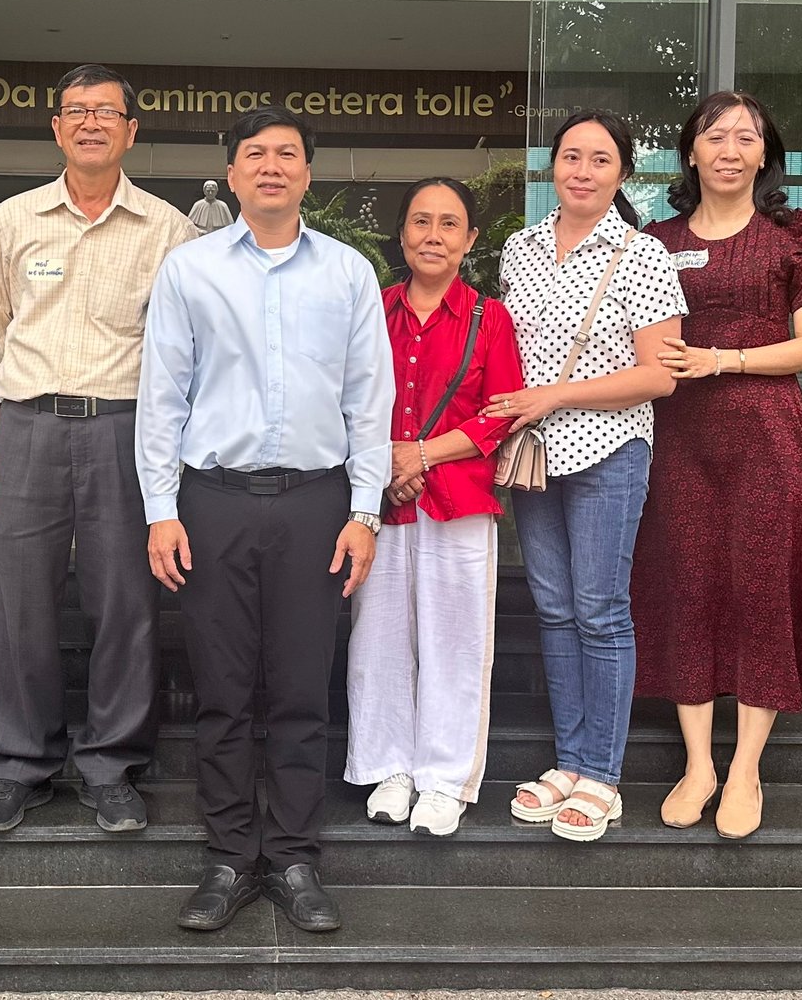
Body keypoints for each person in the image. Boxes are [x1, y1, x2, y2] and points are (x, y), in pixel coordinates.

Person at [137, 106, 393, 934]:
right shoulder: (190, 270)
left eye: (287, 154)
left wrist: (363, 511)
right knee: (221, 689)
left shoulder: (347, 273)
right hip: (211, 501)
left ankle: (292, 856)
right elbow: (162, 397)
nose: (272, 166)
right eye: (256, 154)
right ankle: (226, 857)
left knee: (300, 688)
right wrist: (160, 511)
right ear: (233, 173)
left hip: (317, 503)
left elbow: (370, 400)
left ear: (308, 174)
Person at [0, 64, 197, 834]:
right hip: (29, 425)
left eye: (106, 111)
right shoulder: (15, 220)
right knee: (20, 600)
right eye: (76, 110)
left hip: (124, 429)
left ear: (132, 130)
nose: (90, 122)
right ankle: (23, 762)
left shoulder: (168, 229)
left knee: (124, 601)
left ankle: (111, 765)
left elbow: (180, 348)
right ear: (56, 128)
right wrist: (13, 415)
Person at [632, 91, 802, 841]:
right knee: (685, 585)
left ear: (764, 154)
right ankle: (698, 764)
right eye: (715, 136)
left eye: (746, 138)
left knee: (760, 589)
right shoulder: (653, 240)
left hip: (767, 436)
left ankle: (746, 765)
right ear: (690, 151)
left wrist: (725, 358)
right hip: (676, 437)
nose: (729, 150)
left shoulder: (792, 237)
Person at [486, 111, 686, 843]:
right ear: (553, 166)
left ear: (622, 172)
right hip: (534, 453)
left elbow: (660, 376)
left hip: (609, 449)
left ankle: (602, 772)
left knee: (599, 610)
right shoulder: (521, 247)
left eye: (600, 159)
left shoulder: (643, 254)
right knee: (554, 608)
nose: (582, 170)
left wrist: (556, 396)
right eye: (571, 156)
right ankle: (569, 761)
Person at [344, 178, 523, 838]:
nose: (434, 235)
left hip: (459, 501)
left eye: (450, 224)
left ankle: (445, 779)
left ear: (469, 239)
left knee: (455, 642)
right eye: (421, 221)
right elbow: (348, 400)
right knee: (378, 638)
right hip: (381, 503)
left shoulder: (488, 318)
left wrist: (419, 455)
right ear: (401, 235)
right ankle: (389, 767)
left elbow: (501, 413)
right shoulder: (373, 309)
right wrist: (385, 467)